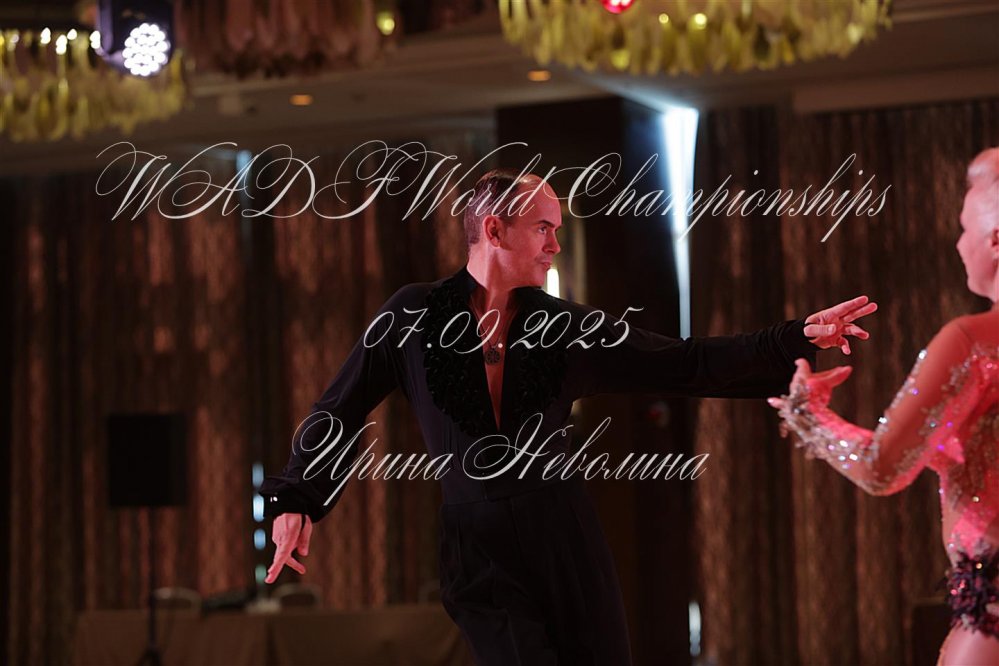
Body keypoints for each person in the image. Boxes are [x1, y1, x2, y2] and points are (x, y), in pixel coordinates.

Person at [260, 168, 877, 665]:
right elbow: (339, 408)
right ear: (495, 229)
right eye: (543, 229)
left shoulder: (565, 328)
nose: (555, 245)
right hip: (476, 549)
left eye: (557, 230)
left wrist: (795, 338)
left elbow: (686, 363)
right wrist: (297, 498)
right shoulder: (411, 316)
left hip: (563, 536)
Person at [769, 147, 999, 666]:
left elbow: (881, 469)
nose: (957, 244)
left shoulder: (973, 341)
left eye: (964, 228)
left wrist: (807, 414)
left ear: (995, 239)